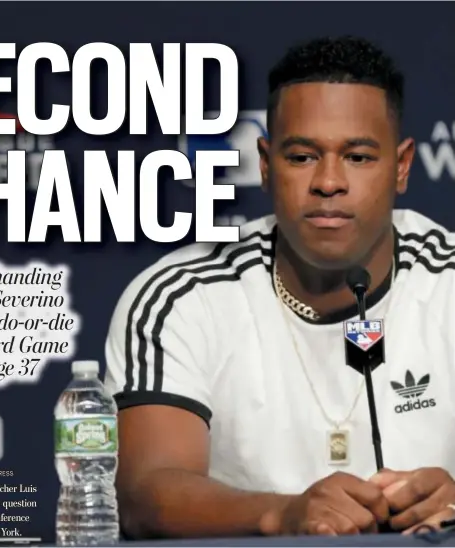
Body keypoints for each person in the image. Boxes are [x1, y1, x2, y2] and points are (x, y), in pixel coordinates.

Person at [104, 36, 455, 538]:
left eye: (357, 157)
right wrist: (285, 516)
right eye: (302, 156)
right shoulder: (182, 295)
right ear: (266, 164)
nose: (329, 181)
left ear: (401, 167)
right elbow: (144, 493)